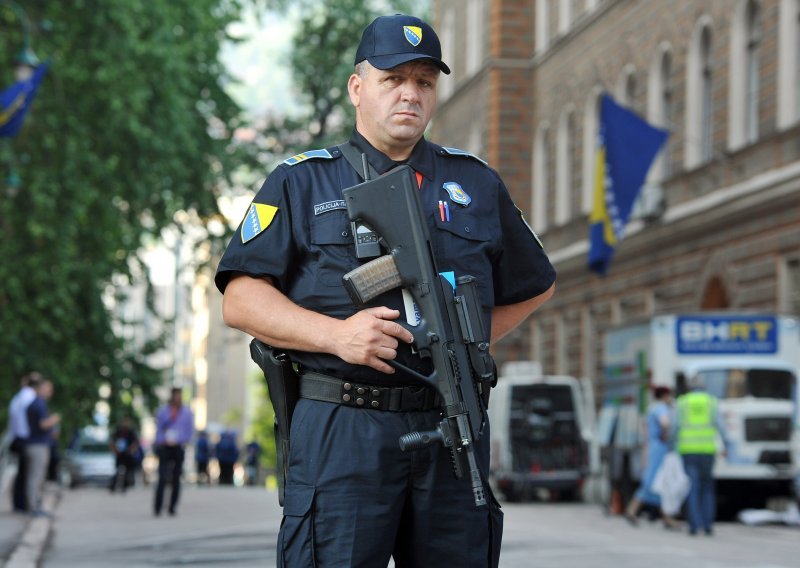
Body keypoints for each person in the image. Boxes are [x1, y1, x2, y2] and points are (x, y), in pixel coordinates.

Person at [215, 13, 556, 567]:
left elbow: (534, 284)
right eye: (393, 79)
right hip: (344, 423)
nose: (410, 95)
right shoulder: (302, 180)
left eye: (424, 81)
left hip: (450, 420)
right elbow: (241, 298)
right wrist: (335, 336)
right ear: (357, 88)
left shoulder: (472, 181)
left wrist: (464, 342)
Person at [673, 374, 731, 536]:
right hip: (707, 450)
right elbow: (720, 425)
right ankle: (708, 525)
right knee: (707, 488)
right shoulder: (711, 402)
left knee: (692, 486)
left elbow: (674, 427)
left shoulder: (682, 402)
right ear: (704, 387)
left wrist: (671, 447)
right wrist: (726, 445)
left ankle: (693, 525)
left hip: (687, 450)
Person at [625, 386, 680, 528]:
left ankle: (666, 517)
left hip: (652, 448)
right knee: (656, 482)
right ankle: (633, 510)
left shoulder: (651, 408)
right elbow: (665, 423)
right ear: (664, 396)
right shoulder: (661, 409)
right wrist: (666, 433)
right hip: (660, 450)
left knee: (658, 483)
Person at [153, 387, 194, 516]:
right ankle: (158, 507)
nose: (177, 398)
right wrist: (162, 440)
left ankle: (172, 507)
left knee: (176, 478)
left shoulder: (187, 413)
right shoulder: (163, 412)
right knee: (162, 477)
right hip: (165, 446)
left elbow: (190, 431)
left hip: (178, 447)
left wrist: (182, 441)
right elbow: (159, 429)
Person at [25, 378, 61, 516]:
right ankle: (34, 507)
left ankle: (35, 506)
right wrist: (54, 420)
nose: (50, 392)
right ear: (40, 389)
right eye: (47, 389)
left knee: (36, 477)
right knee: (36, 477)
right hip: (37, 445)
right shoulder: (39, 404)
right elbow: (42, 425)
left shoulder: (36, 403)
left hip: (36, 444)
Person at [7, 372, 40, 512]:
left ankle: (19, 503)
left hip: (17, 437)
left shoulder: (18, 397)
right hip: (26, 438)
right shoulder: (30, 397)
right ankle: (25, 504)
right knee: (28, 473)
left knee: (21, 473)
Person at [109, 415, 140, 492]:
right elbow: (111, 441)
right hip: (119, 454)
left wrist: (131, 450)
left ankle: (125, 486)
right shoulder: (118, 431)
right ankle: (113, 486)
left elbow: (135, 443)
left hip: (127, 454)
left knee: (127, 471)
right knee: (117, 470)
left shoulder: (131, 432)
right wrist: (115, 451)